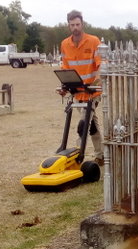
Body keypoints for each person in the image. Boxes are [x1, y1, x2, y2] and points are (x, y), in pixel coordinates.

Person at [59, 10, 103, 163]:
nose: (75, 27)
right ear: (68, 26)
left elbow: (100, 64)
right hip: (77, 93)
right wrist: (63, 86)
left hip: (92, 92)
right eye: (72, 25)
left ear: (82, 24)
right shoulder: (65, 44)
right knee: (91, 125)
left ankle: (77, 156)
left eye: (78, 24)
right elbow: (65, 68)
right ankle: (101, 155)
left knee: (83, 125)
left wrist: (96, 82)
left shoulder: (93, 41)